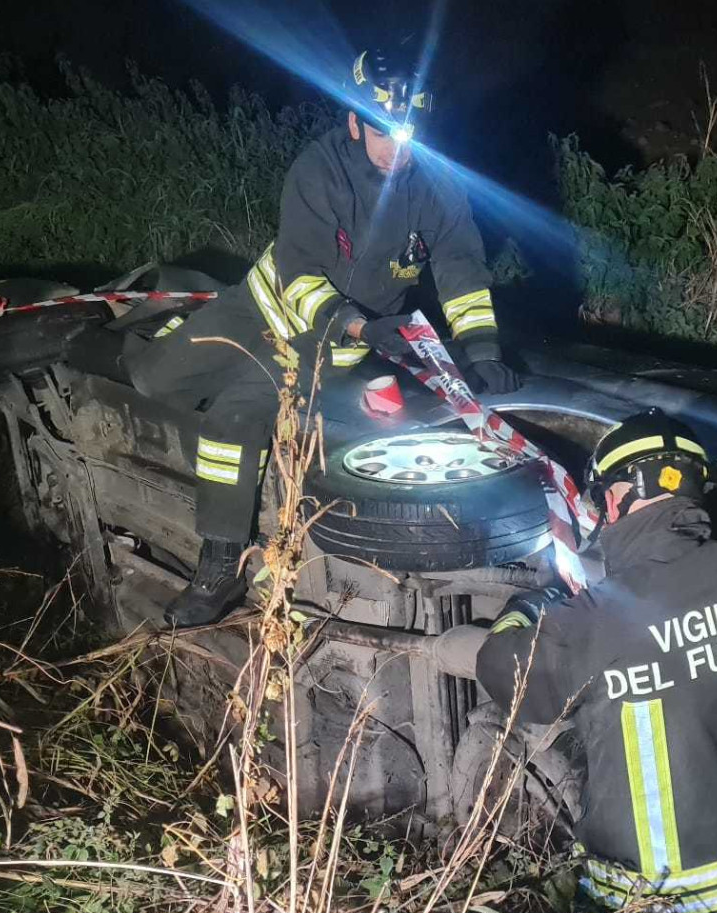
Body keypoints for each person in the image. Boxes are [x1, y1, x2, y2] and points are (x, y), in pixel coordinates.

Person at [131, 47, 519, 628]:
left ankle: (220, 565)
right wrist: (363, 324)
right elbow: (300, 275)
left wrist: (482, 351)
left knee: (235, 419)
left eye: (410, 135)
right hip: (261, 306)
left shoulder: (437, 186)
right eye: (383, 134)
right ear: (353, 121)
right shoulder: (319, 170)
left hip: (317, 347)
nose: (397, 151)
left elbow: (462, 270)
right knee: (151, 378)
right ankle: (173, 334)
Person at [473, 411, 717, 913]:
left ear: (618, 496)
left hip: (644, 894)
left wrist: (525, 607)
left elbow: (501, 674)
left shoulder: (595, 620)